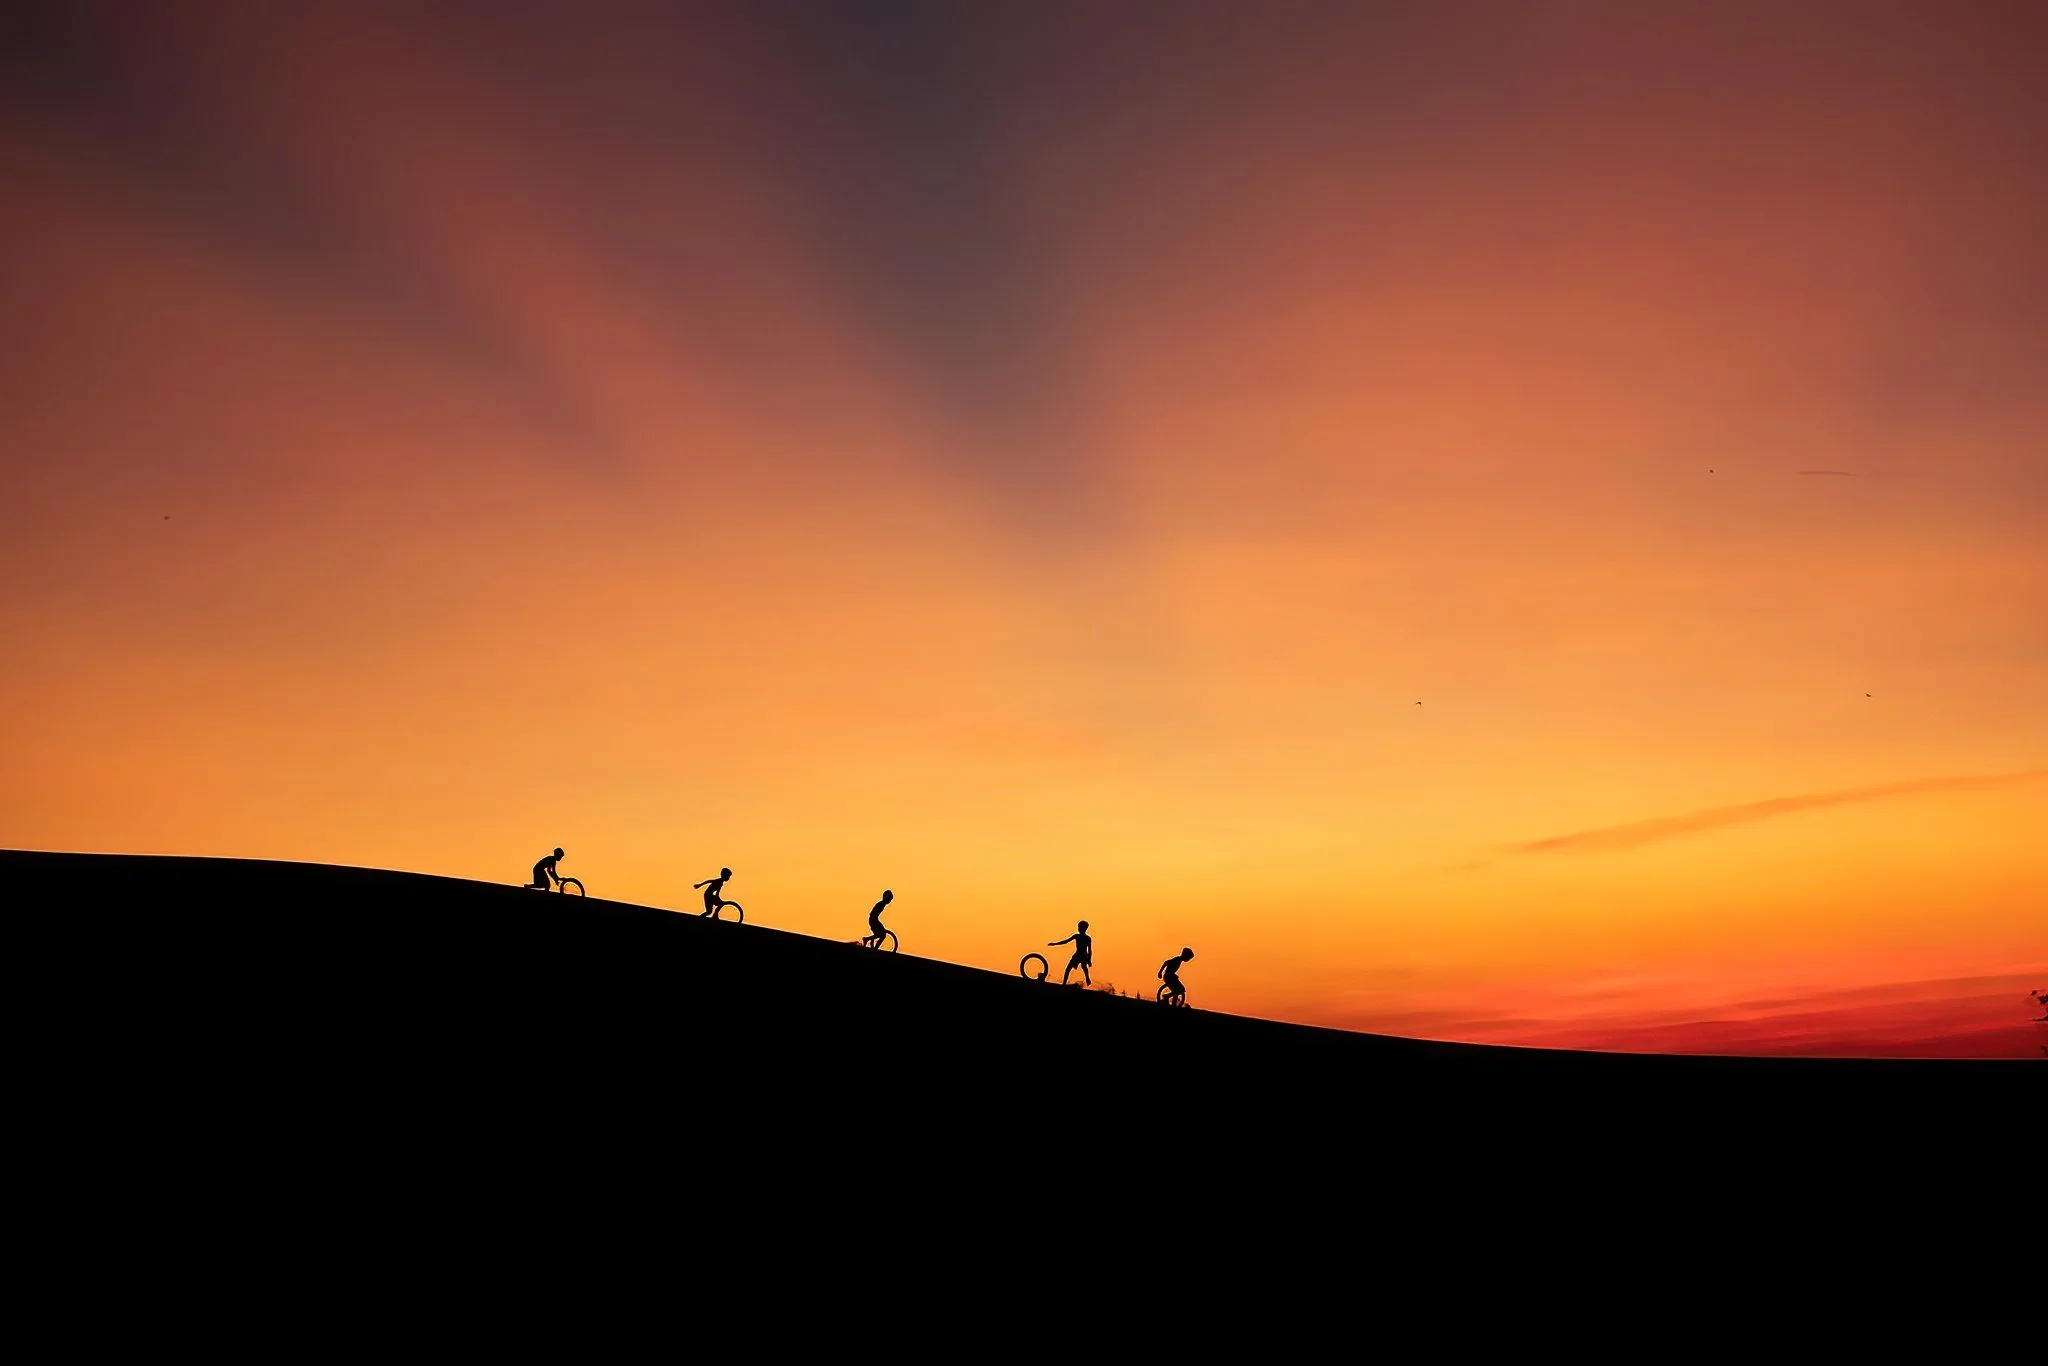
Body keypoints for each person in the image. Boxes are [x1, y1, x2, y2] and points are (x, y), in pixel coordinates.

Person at [1047, 920, 1093, 986]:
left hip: (1083, 955)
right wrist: (1055, 944)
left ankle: (1087, 978)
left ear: (1085, 929)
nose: (1079, 929)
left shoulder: (1087, 938)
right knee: (1069, 968)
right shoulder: (1077, 936)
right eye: (1078, 927)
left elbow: (1090, 950)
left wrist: (1089, 960)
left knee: (1083, 967)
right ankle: (1064, 983)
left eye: (1080, 927)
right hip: (1078, 955)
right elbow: (1066, 941)